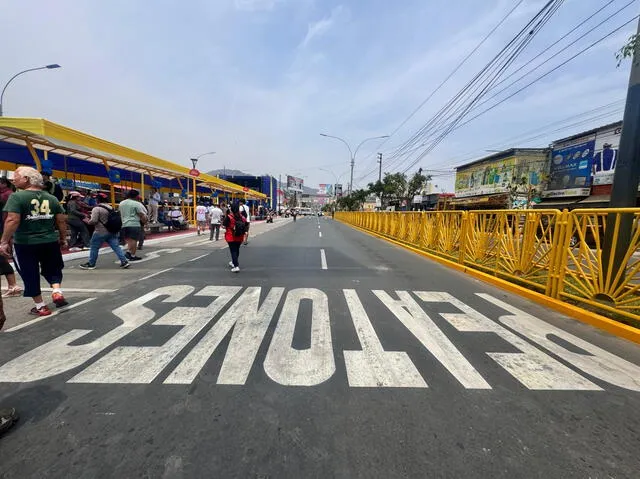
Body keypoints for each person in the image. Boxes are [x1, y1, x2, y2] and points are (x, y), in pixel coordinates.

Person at [0, 167, 68, 316]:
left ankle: (41, 306)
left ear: (26, 179)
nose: (13, 180)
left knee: (29, 272)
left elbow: (12, 219)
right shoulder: (51, 198)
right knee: (53, 267)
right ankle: (56, 290)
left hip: (25, 242)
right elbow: (61, 220)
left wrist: (4, 241)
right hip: (49, 240)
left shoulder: (17, 197)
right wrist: (63, 238)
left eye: (16, 177)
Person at [79, 193, 130, 270]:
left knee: (94, 247)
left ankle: (91, 264)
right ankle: (124, 261)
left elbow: (94, 221)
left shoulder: (97, 209)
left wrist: (87, 221)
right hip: (112, 231)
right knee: (116, 247)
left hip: (100, 231)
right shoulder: (110, 207)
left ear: (97, 200)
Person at [0, 178, 22, 297]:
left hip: (7, 228)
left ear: (4, 184)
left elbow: (10, 217)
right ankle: (13, 286)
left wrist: (6, 238)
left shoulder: (7, 195)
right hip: (6, 228)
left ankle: (13, 286)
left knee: (3, 257)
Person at [119, 189, 147, 262]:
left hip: (124, 224)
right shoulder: (136, 204)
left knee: (129, 240)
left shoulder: (121, 203)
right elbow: (141, 214)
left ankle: (129, 253)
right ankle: (132, 255)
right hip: (134, 224)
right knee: (134, 240)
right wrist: (145, 222)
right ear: (136, 196)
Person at [223, 202, 247, 273]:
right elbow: (245, 224)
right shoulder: (242, 217)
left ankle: (236, 266)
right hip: (240, 236)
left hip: (231, 236)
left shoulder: (229, 217)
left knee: (233, 251)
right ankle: (234, 262)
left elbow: (224, 226)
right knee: (237, 250)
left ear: (231, 209)